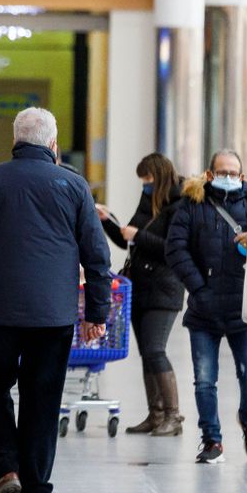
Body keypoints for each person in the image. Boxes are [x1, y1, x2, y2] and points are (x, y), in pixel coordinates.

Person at [0, 107, 113, 493]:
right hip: (53, 316)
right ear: (53, 146)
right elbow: (97, 256)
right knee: (43, 400)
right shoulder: (75, 187)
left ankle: (6, 469)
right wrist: (96, 311)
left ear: (15, 142)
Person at [165, 149, 247, 465]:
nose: (228, 178)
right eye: (222, 172)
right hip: (204, 310)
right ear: (209, 174)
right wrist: (198, 288)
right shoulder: (191, 207)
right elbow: (175, 249)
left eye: (234, 173)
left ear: (242, 177)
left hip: (243, 310)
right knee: (205, 379)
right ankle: (212, 439)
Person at [99, 153, 186, 437]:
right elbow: (130, 243)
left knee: (155, 349)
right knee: (146, 353)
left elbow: (172, 248)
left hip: (164, 288)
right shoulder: (148, 201)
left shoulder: (180, 204)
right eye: (142, 181)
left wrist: (137, 235)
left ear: (160, 177)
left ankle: (173, 416)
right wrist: (108, 222)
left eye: (148, 180)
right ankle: (156, 413)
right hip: (139, 285)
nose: (145, 185)